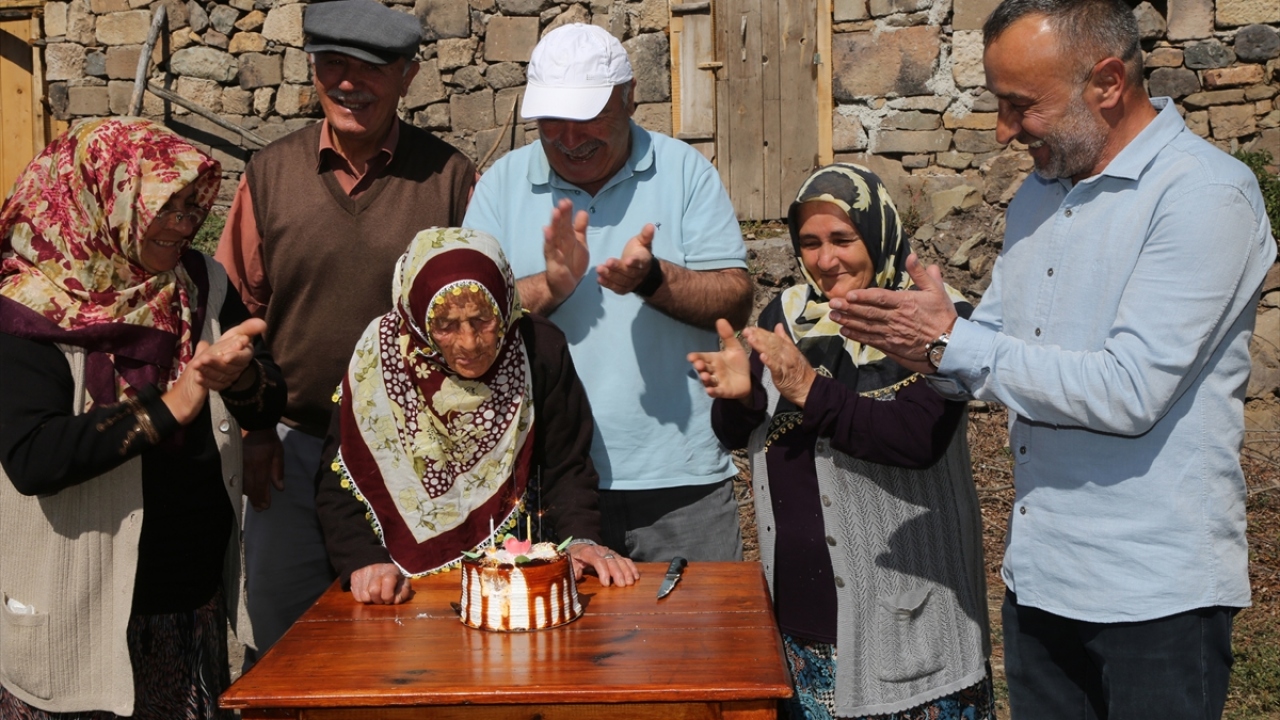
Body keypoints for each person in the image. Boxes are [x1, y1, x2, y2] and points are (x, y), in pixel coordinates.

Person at [827, 1, 1277, 717]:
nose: (1004, 131)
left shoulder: (1204, 195)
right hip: (1041, 580)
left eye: (1019, 105)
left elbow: (1130, 392)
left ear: (1105, 81)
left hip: (1155, 595)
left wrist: (954, 341)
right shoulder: (1040, 197)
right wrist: (918, 340)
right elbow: (992, 351)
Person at [215, 0, 477, 656]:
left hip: (413, 457)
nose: (348, 82)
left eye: (370, 68)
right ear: (312, 70)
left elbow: (475, 314)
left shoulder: (448, 179)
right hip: (290, 449)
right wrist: (252, 431)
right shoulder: (271, 175)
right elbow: (234, 315)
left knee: (414, 642)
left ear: (408, 76)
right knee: (285, 639)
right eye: (332, 63)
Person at [0, 118, 285, 718]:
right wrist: (176, 403)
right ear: (105, 200)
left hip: (187, 596)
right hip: (79, 606)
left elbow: (266, 397)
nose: (183, 225)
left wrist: (244, 381)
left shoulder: (199, 282)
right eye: (166, 207)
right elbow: (34, 457)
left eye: (190, 207)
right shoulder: (27, 311)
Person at [689, 164, 992, 720]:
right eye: (809, 243)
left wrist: (805, 386)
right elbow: (744, 435)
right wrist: (739, 399)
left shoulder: (939, 319)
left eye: (842, 240)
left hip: (907, 620)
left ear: (877, 233)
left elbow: (915, 440)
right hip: (803, 620)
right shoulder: (788, 315)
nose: (825, 260)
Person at [464, 23, 753, 563]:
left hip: (678, 478)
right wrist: (550, 287)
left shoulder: (686, 172)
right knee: (554, 645)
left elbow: (735, 300)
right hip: (543, 480)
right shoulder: (502, 186)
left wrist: (654, 281)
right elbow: (462, 329)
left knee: (697, 643)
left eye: (588, 117)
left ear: (631, 97)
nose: (570, 139)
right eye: (552, 121)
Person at [316, 228, 638, 602]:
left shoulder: (537, 349)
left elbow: (566, 464)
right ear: (419, 319)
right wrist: (363, 559)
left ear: (504, 302)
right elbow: (342, 479)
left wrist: (580, 538)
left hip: (518, 576)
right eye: (447, 326)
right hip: (403, 583)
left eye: (483, 320)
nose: (469, 342)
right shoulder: (378, 362)